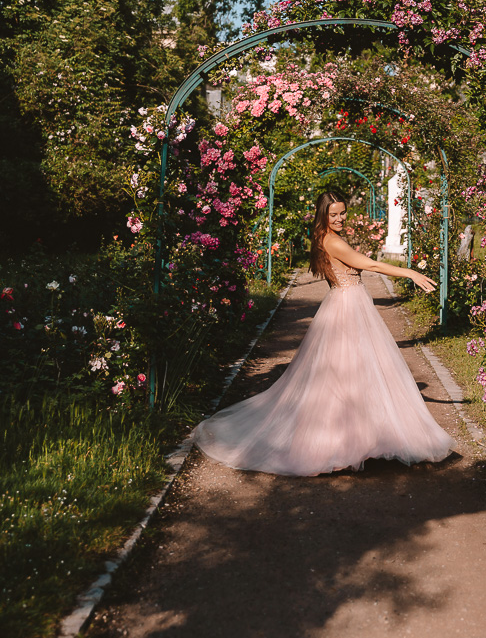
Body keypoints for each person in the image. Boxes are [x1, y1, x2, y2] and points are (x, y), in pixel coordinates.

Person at [194, 190, 455, 476]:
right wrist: (411, 273)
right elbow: (371, 264)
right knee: (345, 372)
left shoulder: (322, 236)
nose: (341, 218)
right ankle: (339, 443)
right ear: (323, 215)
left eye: (343, 212)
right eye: (334, 214)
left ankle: (357, 438)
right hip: (348, 306)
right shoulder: (332, 241)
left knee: (350, 372)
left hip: (343, 303)